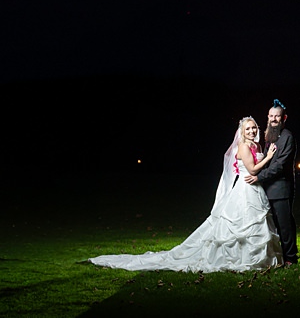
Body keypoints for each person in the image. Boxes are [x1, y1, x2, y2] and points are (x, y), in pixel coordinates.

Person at [89, 117, 283, 272]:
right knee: (238, 227)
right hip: (244, 191)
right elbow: (252, 169)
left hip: (255, 191)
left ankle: (257, 259)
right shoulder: (243, 146)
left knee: (255, 225)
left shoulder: (256, 146)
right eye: (248, 129)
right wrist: (268, 157)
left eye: (254, 127)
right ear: (242, 132)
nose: (252, 131)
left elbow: (256, 170)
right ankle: (238, 258)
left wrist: (264, 156)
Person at [245, 98, 297, 265]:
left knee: (285, 224)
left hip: (281, 189)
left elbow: (280, 166)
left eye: (277, 116)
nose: (274, 119)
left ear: (284, 118)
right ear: (268, 117)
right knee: (272, 226)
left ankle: (290, 258)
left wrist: (259, 177)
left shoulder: (287, 137)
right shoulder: (269, 137)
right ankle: (279, 256)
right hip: (267, 189)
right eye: (271, 116)